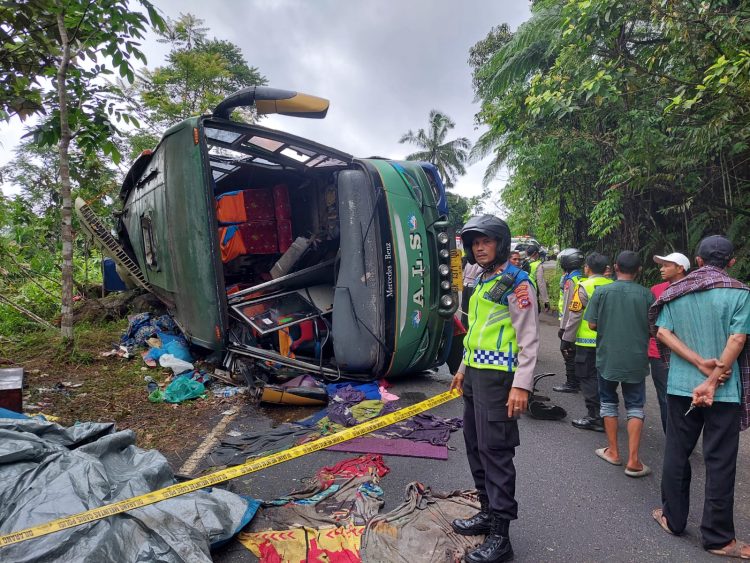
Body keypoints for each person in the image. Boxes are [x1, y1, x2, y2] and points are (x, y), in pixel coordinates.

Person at [650, 235, 750, 558]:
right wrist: (712, 380)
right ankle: (719, 538)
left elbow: (662, 332)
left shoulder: (676, 292)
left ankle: (672, 518)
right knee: (720, 462)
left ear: (698, 262)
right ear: (731, 263)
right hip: (724, 391)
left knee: (677, 452)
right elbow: (737, 339)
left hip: (680, 387)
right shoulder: (740, 293)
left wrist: (695, 363)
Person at [449, 214, 539, 563]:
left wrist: (522, 385)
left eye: (485, 241)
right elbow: (476, 333)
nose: (479, 247)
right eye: (474, 242)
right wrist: (461, 369)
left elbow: (529, 339)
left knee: (496, 453)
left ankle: (501, 538)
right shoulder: (485, 281)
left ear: (500, 243)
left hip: (500, 379)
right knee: (476, 447)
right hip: (474, 375)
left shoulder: (518, 283)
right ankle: (487, 512)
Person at [585, 251, 654, 477]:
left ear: (615, 267)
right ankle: (634, 460)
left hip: (608, 358)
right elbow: (654, 329)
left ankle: (614, 452)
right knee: (635, 405)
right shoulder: (647, 295)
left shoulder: (601, 292)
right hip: (635, 359)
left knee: (608, 401)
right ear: (639, 270)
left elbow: (592, 325)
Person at [561, 252, 612, 431]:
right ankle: (608, 414)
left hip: (586, 342)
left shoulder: (584, 286)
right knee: (605, 377)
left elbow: (575, 317)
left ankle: (594, 417)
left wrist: (566, 339)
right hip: (608, 342)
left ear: (587, 268)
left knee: (588, 378)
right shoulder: (613, 285)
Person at [648, 252, 690, 433]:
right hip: (657, 351)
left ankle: (685, 436)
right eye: (661, 265)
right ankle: (672, 437)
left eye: (667, 265)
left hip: (686, 352)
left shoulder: (694, 289)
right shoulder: (656, 290)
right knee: (665, 396)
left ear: (680, 268)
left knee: (686, 397)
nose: (661, 269)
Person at [554, 248, 585, 394]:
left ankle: (572, 383)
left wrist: (563, 328)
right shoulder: (582, 277)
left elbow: (568, 305)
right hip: (582, 324)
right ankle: (579, 381)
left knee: (567, 350)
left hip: (570, 323)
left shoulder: (571, 280)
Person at [525, 244, 550, 313]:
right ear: (535, 253)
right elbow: (541, 283)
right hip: (532, 292)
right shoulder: (538, 265)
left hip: (521, 292)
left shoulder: (522, 262)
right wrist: (546, 301)